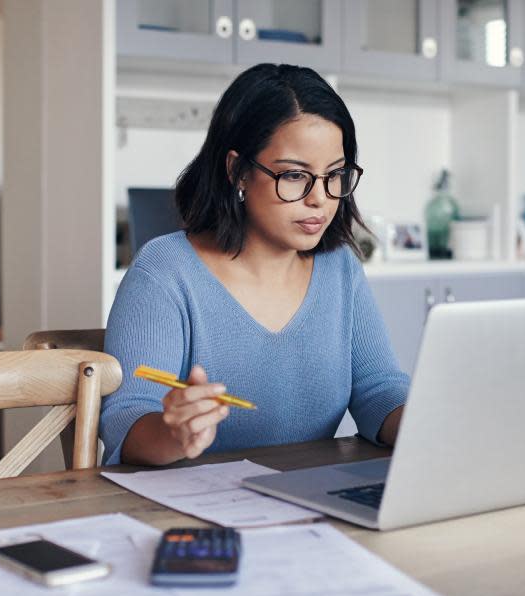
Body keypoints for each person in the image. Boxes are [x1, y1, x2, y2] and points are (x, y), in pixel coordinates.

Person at [101, 63, 409, 466]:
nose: (320, 198)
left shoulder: (340, 268)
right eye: (295, 175)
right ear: (238, 171)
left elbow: (377, 390)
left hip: (306, 502)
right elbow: (127, 421)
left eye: (335, 175)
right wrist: (173, 433)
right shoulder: (165, 272)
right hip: (189, 514)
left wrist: (429, 423)